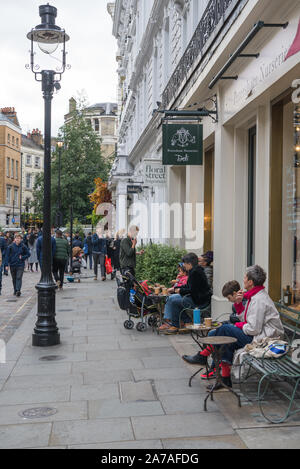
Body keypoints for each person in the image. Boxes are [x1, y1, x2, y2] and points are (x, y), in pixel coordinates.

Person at [182, 265, 285, 390]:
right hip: (257, 333)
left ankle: (204, 355)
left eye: (245, 277)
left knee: (226, 330)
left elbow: (254, 329)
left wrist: (237, 326)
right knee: (226, 333)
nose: (244, 280)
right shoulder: (253, 296)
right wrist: (238, 303)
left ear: (251, 282)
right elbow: (248, 320)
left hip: (264, 338)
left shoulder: (259, 300)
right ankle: (224, 379)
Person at [159, 253, 212, 334]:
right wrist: (177, 289)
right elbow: (189, 286)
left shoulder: (196, 272)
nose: (183, 265)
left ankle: (176, 325)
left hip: (200, 301)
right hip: (195, 297)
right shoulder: (194, 270)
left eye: (184, 263)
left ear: (189, 264)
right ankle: (185, 322)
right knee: (172, 298)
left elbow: (192, 290)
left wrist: (180, 291)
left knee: (175, 301)